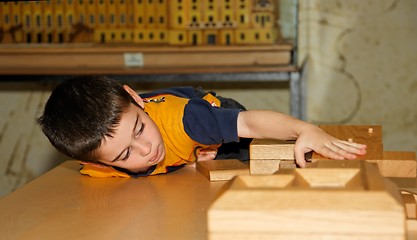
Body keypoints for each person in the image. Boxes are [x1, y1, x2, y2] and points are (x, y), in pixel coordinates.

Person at [37, 75, 367, 178]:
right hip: (183, 140)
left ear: (136, 99)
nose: (146, 149)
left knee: (248, 162)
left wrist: (303, 130)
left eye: (139, 129)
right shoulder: (98, 164)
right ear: (97, 162)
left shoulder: (190, 122)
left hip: (207, 109)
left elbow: (250, 121)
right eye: (125, 154)